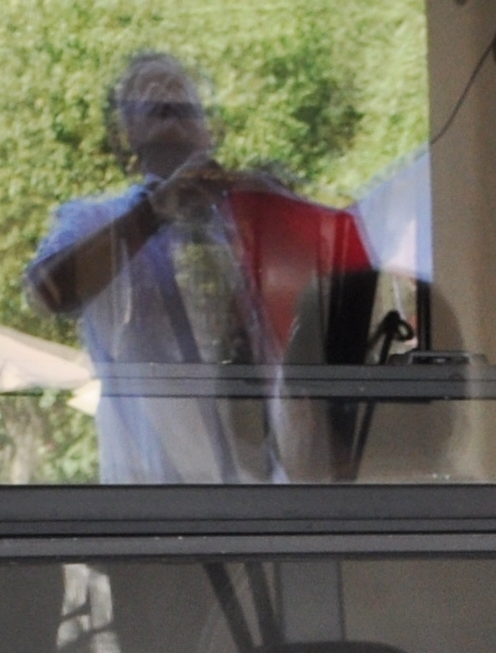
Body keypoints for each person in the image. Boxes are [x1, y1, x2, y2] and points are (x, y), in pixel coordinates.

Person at [26, 52, 377, 484]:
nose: (166, 92)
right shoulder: (95, 220)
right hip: (150, 494)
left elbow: (339, 300)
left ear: (212, 129)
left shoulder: (253, 219)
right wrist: (156, 210)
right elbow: (48, 293)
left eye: (182, 91)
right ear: (125, 135)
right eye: (146, 89)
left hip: (268, 496)